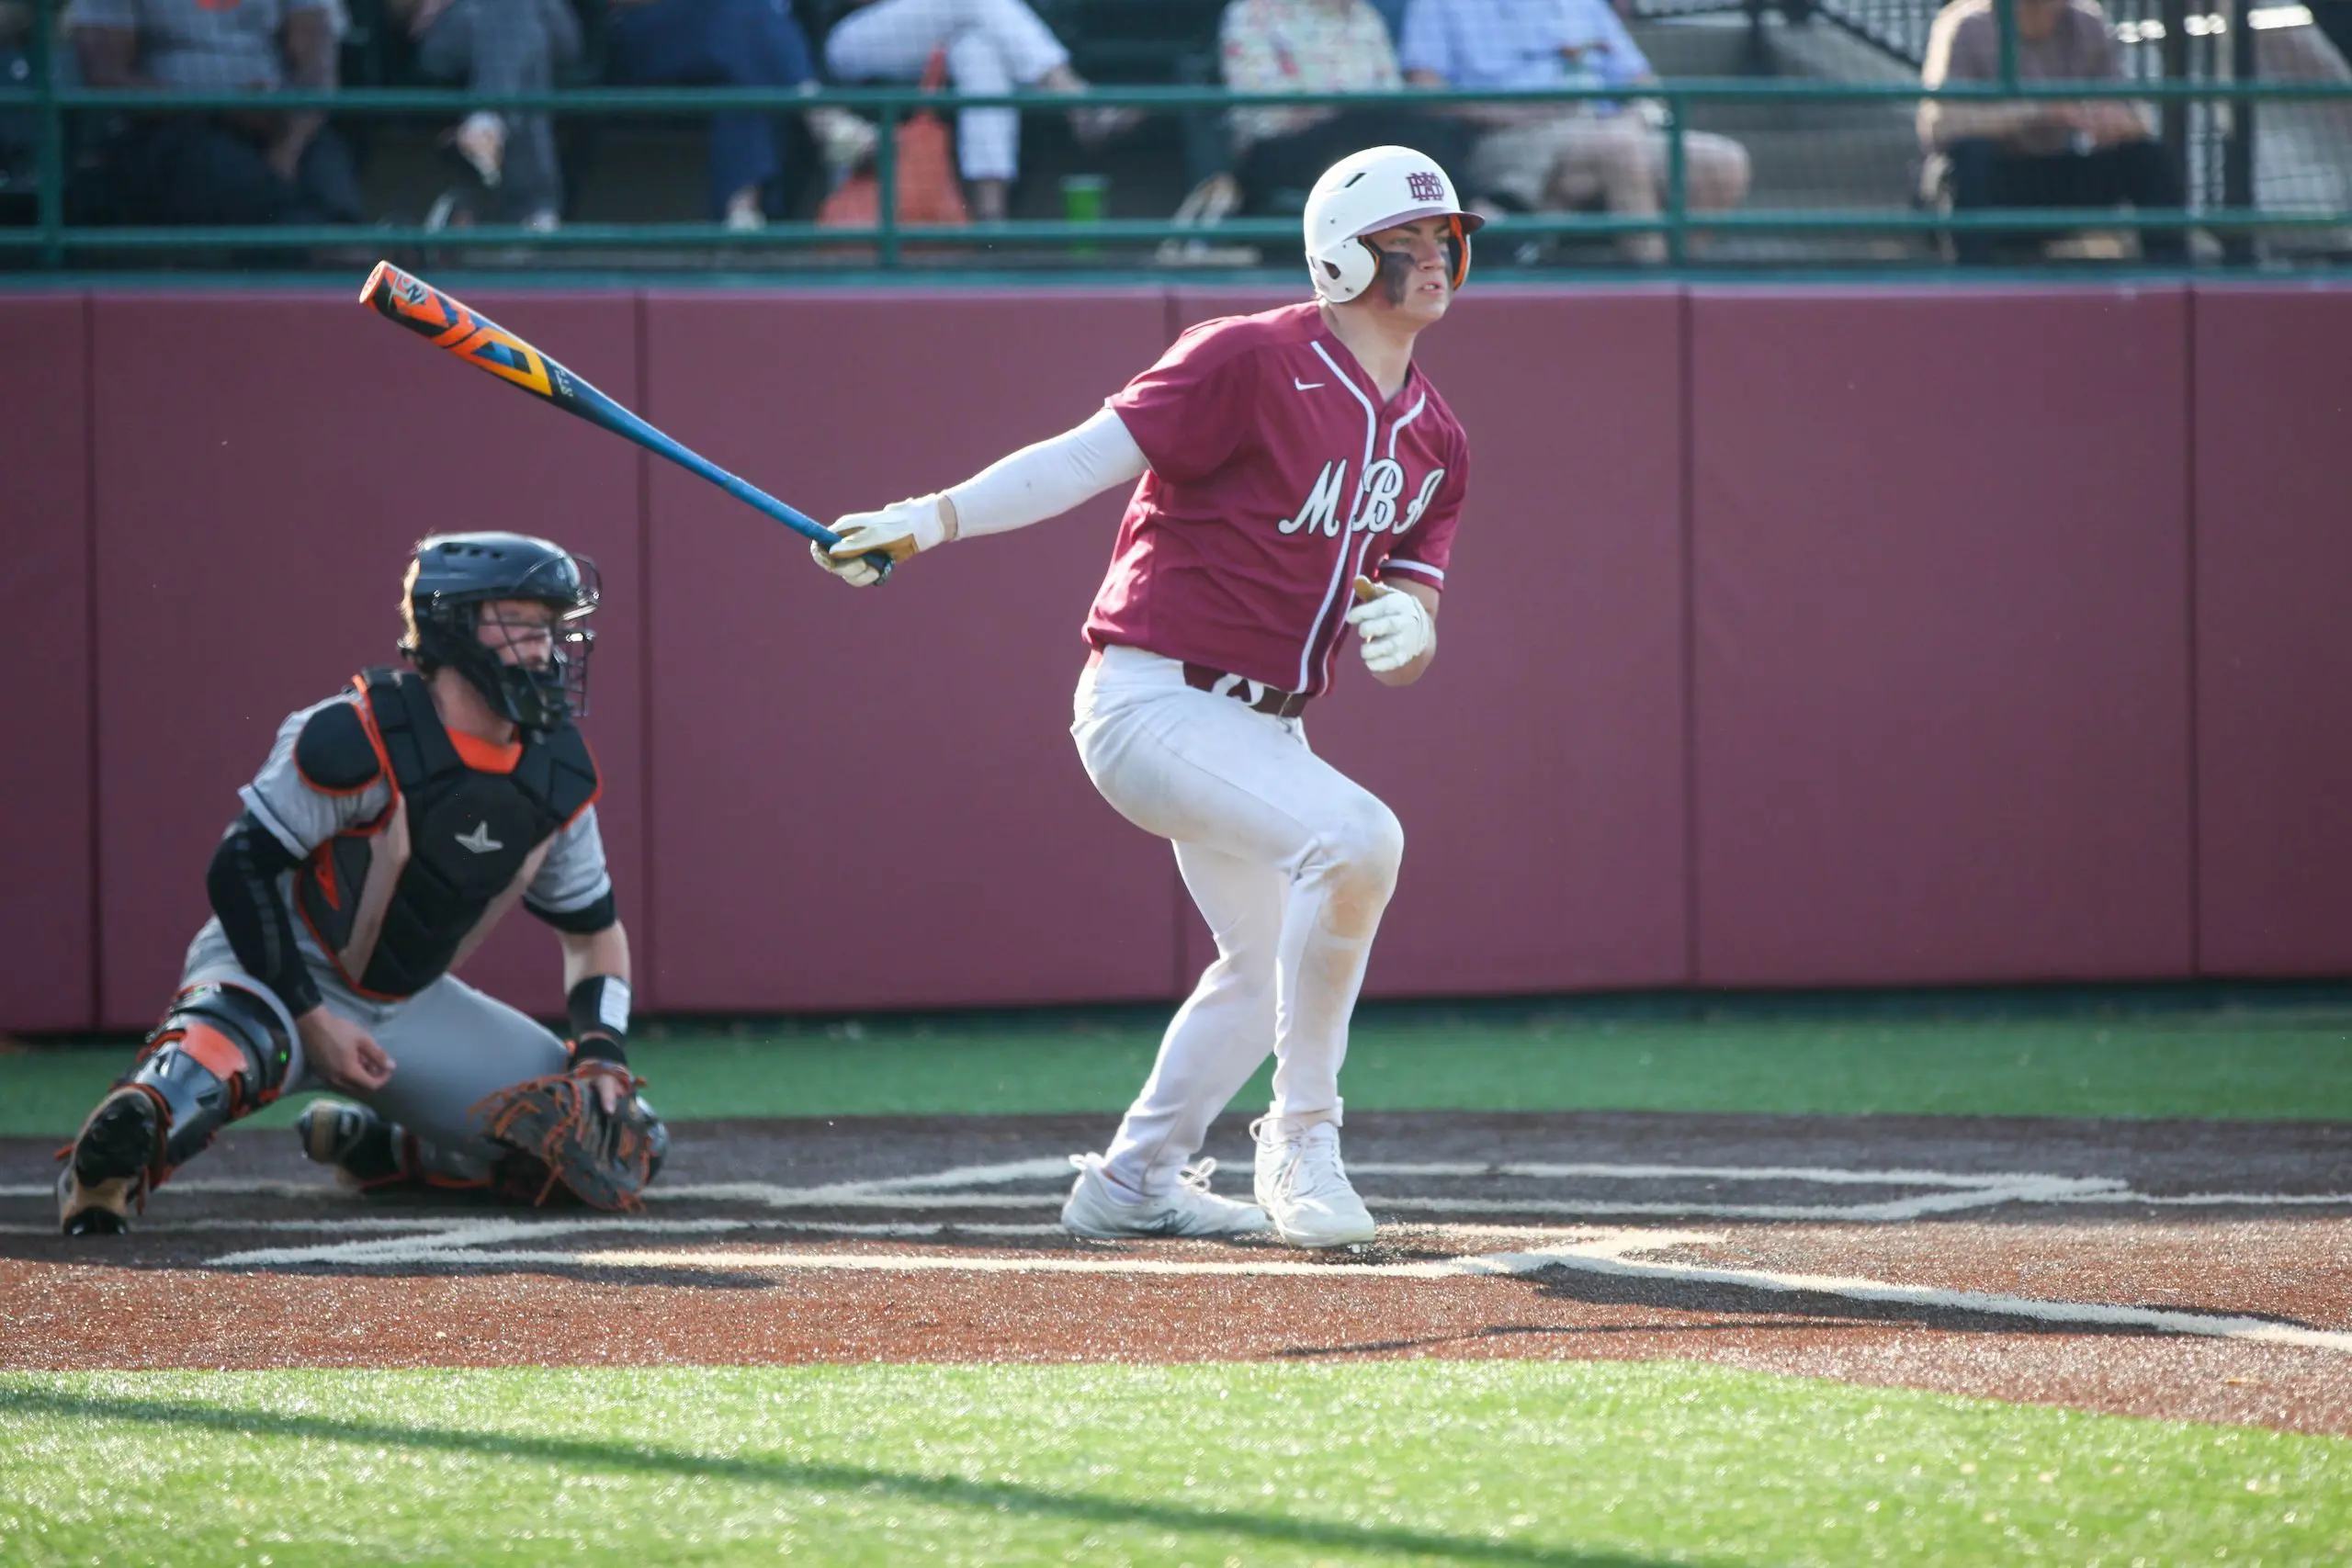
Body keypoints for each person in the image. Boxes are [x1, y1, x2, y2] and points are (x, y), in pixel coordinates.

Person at [808, 146, 1475, 1249]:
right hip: (1151, 702)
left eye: (1444, 237)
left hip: (1265, 728)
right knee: (1359, 840)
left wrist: (1415, 634)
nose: (1435, 257)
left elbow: (1407, 620)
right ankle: (1302, 1138)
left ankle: (1133, 1180)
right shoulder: (1247, 357)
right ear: (1339, 259)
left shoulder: (1437, 437)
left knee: (1263, 963)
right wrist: (929, 519)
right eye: (1403, 241)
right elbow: (1078, 462)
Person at [57, 533, 662, 1235]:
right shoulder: (355, 733)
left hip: (404, 1006)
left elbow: (594, 937)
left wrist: (602, 1050)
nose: (544, 646)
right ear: (452, 626)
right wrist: (314, 1022)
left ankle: (382, 1148)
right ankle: (106, 1169)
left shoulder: (555, 773)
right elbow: (239, 869)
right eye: (521, 622)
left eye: (551, 626)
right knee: (198, 1074)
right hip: (272, 975)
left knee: (616, 1141)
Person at [1397, 0, 1748, 263]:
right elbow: (1425, 91)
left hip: (1607, 125)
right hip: (1507, 135)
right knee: (1618, 148)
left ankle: (1676, 277)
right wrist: (1510, 114)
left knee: (1721, 162)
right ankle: (1655, 288)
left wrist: (1635, 116)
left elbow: (1642, 82)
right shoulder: (1439, 4)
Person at [821, 0, 1136, 222]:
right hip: (854, 36)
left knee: (979, 52)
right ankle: (1078, 103)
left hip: (939, 26)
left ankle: (991, 217)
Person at [1919, 0, 2185, 263]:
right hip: (1991, 182)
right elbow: (1939, 124)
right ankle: (1973, 277)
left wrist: (2115, 121)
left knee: (2148, 156)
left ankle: (2172, 273)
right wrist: (2040, 111)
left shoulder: (2088, 23)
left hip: (2052, 175)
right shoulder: (1965, 25)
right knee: (1968, 158)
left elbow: (2139, 119)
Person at [67, 0, 366, 227]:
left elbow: (318, 71)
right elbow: (106, 74)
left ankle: (352, 253)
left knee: (323, 164)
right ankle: (323, 249)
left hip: (276, 118)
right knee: (225, 171)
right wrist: (217, 106)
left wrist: (289, 146)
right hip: (170, 127)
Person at [606, 0, 872, 229]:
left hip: (753, 39)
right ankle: (822, 116)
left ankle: (740, 214)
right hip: (645, 35)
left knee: (748, 57)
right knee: (746, 20)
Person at [1218, 0, 1472, 215]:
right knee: (1366, 125)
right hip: (1282, 148)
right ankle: (1469, 206)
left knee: (1425, 129)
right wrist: (1336, 110)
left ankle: (1462, 208)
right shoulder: (1253, 13)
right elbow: (1263, 113)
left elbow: (1390, 96)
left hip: (1369, 139)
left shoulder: (1363, 14)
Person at [392, 0, 583, 231]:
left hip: (545, 16)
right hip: (452, 24)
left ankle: (485, 125)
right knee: (522, 32)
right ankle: (534, 212)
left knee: (514, 15)